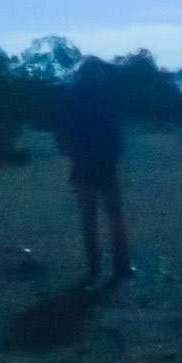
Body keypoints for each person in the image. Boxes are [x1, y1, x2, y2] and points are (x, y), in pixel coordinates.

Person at [55, 57, 132, 284]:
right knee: (114, 216)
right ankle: (121, 265)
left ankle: (94, 266)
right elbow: (116, 129)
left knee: (88, 218)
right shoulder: (106, 94)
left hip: (83, 163)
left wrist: (72, 154)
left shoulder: (71, 95)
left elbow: (63, 131)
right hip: (105, 163)